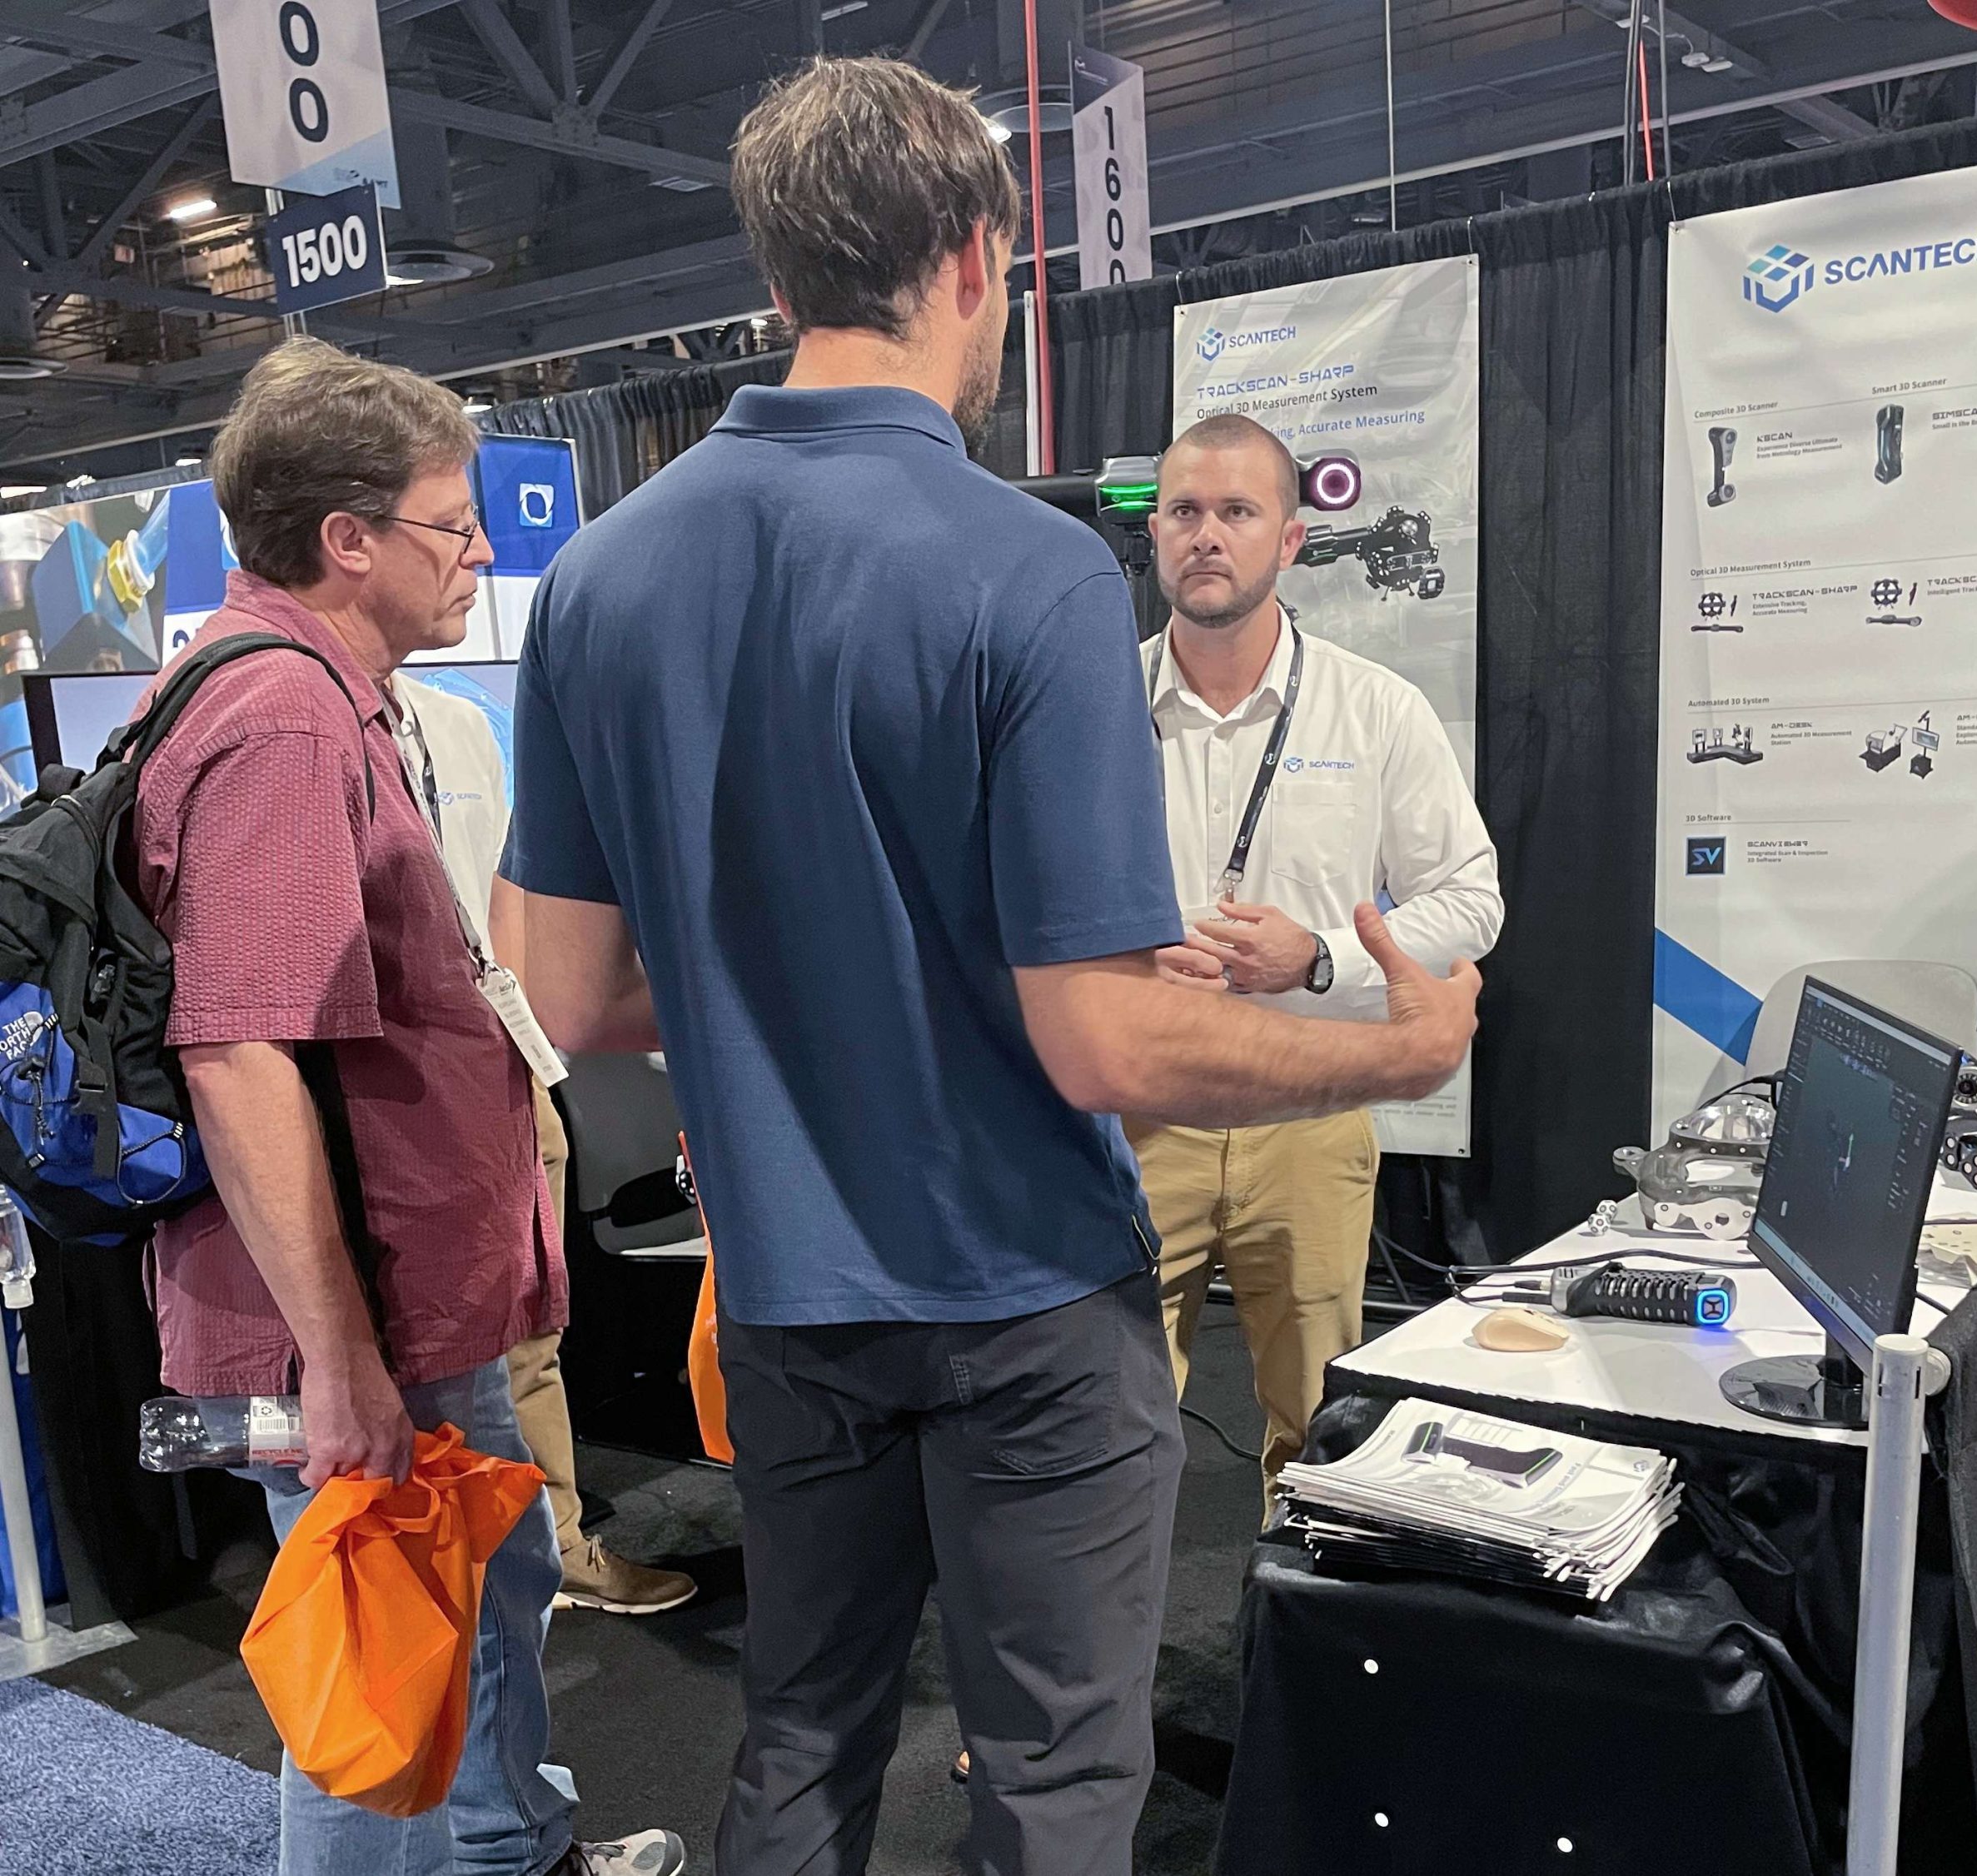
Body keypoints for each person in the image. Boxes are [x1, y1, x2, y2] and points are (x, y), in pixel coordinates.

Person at [502, 56, 1481, 1876]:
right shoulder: (1029, 572)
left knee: (802, 1731)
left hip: (786, 1293)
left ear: (777, 272)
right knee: (1051, 1766)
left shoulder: (600, 580)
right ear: (974, 259)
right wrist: (1391, 1050)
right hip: (1023, 1295)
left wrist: (809, 1003)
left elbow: (565, 993)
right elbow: (1100, 1038)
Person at [132, 336, 683, 1876]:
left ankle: (516, 1849)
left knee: (485, 1596)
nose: (482, 553)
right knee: (381, 1687)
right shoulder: (283, 718)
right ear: (349, 539)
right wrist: (340, 1362)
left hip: (408, 1306)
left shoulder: (315, 694)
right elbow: (237, 1053)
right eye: (454, 523)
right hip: (361, 1321)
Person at [1134, 414, 1505, 1517]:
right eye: (1184, 510)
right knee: (1109, 1429)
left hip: (1309, 1112)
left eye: (1237, 511)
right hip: (1136, 1123)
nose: (1207, 535)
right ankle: (1111, 1638)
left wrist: (1317, 961)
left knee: (1322, 1436)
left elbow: (1471, 901)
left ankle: (1291, 1623)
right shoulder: (1091, 707)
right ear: (1154, 533)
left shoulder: (1374, 708)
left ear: (1291, 540)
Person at [394, 671, 700, 1618]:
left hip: (502, 1065)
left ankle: (556, 1545)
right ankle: (451, 1575)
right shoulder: (294, 722)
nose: (468, 587)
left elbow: (510, 902)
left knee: (532, 1322)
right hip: (386, 1090)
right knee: (419, 1344)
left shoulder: (461, 724)